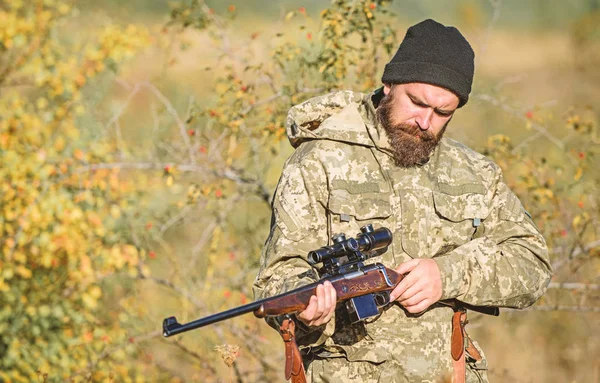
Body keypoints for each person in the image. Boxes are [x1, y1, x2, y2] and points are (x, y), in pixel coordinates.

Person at [253, 19, 552, 383]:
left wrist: (448, 274)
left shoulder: (474, 171)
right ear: (389, 83)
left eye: (443, 113)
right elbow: (276, 281)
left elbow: (532, 263)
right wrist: (306, 310)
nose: (425, 122)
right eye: (417, 103)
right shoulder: (319, 161)